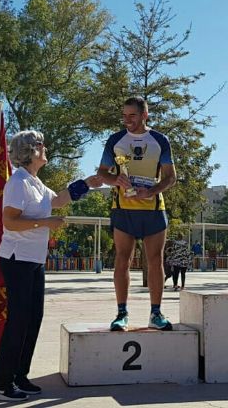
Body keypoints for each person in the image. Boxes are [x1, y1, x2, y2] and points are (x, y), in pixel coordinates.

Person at [0, 130, 102, 402]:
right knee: (19, 320)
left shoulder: (35, 182)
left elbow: (58, 199)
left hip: (34, 259)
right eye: (41, 145)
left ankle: (19, 375)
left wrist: (88, 183)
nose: (45, 148)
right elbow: (10, 222)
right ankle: (0, 384)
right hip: (17, 258)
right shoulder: (18, 182)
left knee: (32, 319)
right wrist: (45, 223)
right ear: (30, 151)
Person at [97, 96, 177, 332]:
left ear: (145, 115)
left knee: (155, 260)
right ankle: (121, 314)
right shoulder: (115, 140)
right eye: (124, 115)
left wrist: (152, 190)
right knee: (123, 260)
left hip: (153, 209)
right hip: (123, 209)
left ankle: (156, 313)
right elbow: (103, 173)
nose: (127, 120)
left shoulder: (160, 140)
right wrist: (116, 180)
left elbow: (171, 177)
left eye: (132, 115)